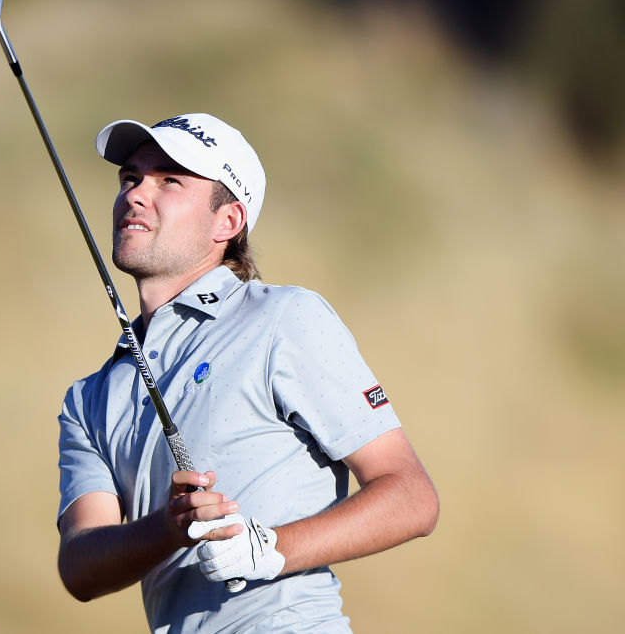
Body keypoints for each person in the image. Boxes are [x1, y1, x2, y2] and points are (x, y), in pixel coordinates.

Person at [56, 113, 439, 633]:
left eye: (170, 179)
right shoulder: (91, 397)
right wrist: (167, 530)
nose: (136, 194)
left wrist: (271, 549)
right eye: (131, 178)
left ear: (227, 222)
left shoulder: (283, 319)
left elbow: (411, 497)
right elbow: (80, 567)